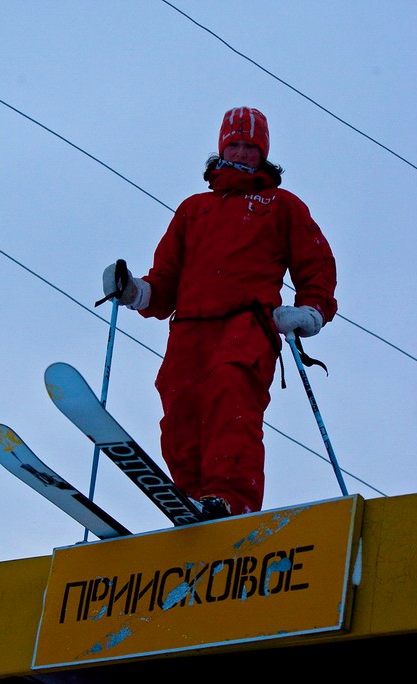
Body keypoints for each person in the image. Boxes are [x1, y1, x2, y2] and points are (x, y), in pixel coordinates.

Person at [102, 106, 337, 520]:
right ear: (221, 147)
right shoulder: (194, 209)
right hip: (190, 328)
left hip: (247, 323)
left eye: (251, 146)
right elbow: (165, 281)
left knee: (231, 397)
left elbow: (316, 265)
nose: (242, 152)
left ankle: (230, 497)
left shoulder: (281, 205)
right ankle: (191, 500)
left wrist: (309, 311)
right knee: (181, 408)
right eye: (235, 144)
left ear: (262, 153)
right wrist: (135, 291)